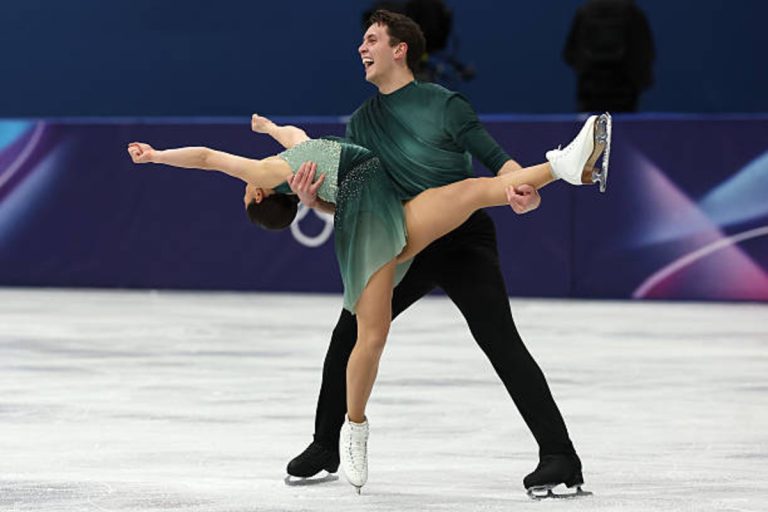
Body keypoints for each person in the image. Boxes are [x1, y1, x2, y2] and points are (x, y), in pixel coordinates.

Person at [128, 109, 610, 493]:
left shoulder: (294, 158)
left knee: (471, 212)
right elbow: (211, 156)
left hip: (427, 228)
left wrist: (270, 128)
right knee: (360, 335)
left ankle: (567, 167)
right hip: (377, 228)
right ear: (258, 194)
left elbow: (282, 140)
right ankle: (336, 440)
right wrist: (155, 155)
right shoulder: (277, 170)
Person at [279, 9, 605, 498]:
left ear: (399, 49)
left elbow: (499, 163)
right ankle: (326, 445)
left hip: (462, 239)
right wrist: (314, 200)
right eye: (361, 42)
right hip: (403, 243)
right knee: (347, 334)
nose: (361, 49)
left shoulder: (445, 104)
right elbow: (358, 201)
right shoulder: (363, 123)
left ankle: (560, 456)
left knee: (500, 341)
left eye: (371, 40)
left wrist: (521, 189)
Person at [563, 0, 655, 112]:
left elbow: (569, 53)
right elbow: (645, 53)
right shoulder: (633, 13)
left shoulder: (584, 12)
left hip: (591, 91)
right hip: (624, 93)